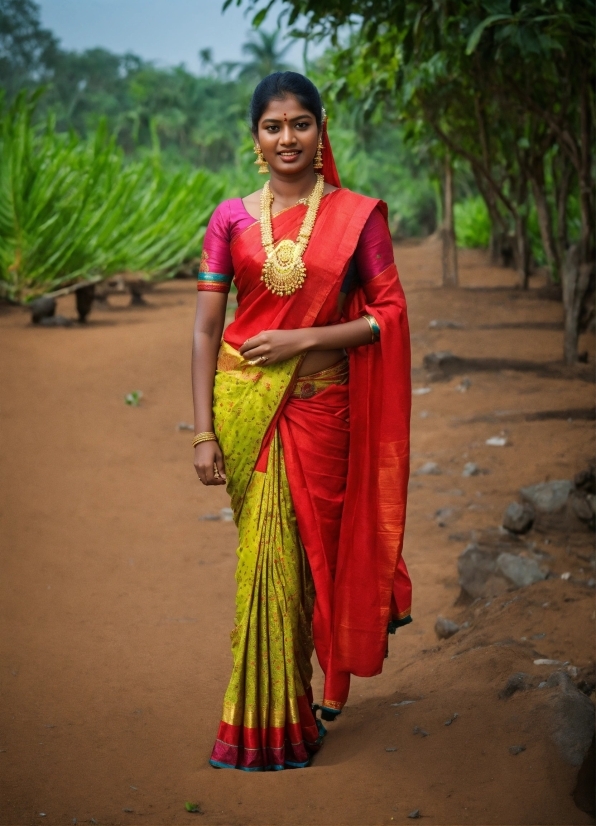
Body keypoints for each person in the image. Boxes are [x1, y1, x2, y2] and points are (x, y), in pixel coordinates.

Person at [191, 71, 412, 772]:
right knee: (265, 563)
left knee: (321, 560)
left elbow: (389, 317)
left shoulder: (359, 216)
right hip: (247, 411)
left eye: (300, 123)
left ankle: (326, 685)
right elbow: (204, 332)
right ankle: (266, 721)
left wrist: (305, 340)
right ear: (255, 138)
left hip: (326, 412)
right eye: (272, 125)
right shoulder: (229, 218)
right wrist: (201, 431)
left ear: (322, 130)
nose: (287, 137)